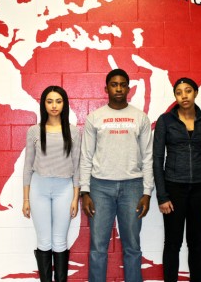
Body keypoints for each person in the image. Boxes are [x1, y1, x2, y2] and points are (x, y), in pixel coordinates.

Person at [80, 68, 154, 282]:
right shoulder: (95, 118)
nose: (119, 88)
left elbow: (148, 157)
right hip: (100, 188)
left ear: (128, 89)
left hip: (133, 187)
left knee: (132, 246)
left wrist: (147, 192)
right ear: (106, 88)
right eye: (114, 84)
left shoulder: (140, 118)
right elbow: (86, 156)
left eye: (123, 84)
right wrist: (85, 191)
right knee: (98, 247)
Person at [153, 77, 201, 282]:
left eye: (188, 91)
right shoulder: (165, 121)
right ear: (175, 96)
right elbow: (157, 159)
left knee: (196, 242)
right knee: (172, 243)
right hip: (174, 188)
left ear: (196, 93)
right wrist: (162, 196)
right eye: (179, 92)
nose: (184, 95)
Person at [22, 86, 81, 282]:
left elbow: (77, 166)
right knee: (44, 241)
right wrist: (25, 199)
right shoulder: (34, 131)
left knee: (59, 241)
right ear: (43, 104)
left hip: (64, 190)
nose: (54, 105)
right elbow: (28, 167)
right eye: (49, 101)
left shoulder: (73, 131)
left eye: (58, 101)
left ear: (64, 104)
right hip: (39, 189)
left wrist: (75, 198)